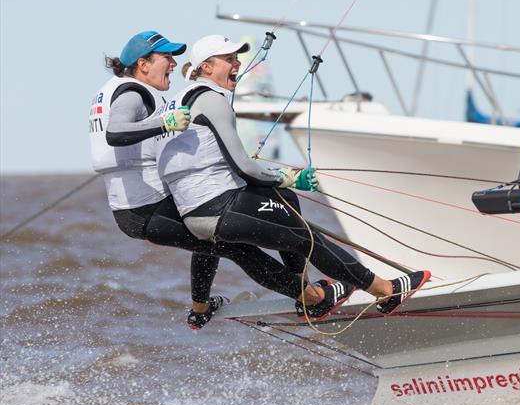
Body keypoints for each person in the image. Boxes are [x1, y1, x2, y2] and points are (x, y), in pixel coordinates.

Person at [155, 34, 431, 318]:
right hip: (218, 204)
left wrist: (278, 184)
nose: (237, 64)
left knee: (280, 206)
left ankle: (306, 293)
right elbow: (244, 165)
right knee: (304, 238)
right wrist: (288, 176)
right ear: (208, 67)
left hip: (194, 214)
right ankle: (385, 291)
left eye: (237, 58)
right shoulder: (212, 100)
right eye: (229, 59)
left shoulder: (176, 101)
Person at [90, 30, 336, 329]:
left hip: (137, 207)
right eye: (166, 57)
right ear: (143, 64)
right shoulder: (133, 92)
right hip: (144, 209)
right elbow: (115, 134)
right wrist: (164, 122)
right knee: (233, 245)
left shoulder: (116, 89)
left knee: (214, 237)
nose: (172, 63)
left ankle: (200, 308)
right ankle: (310, 298)